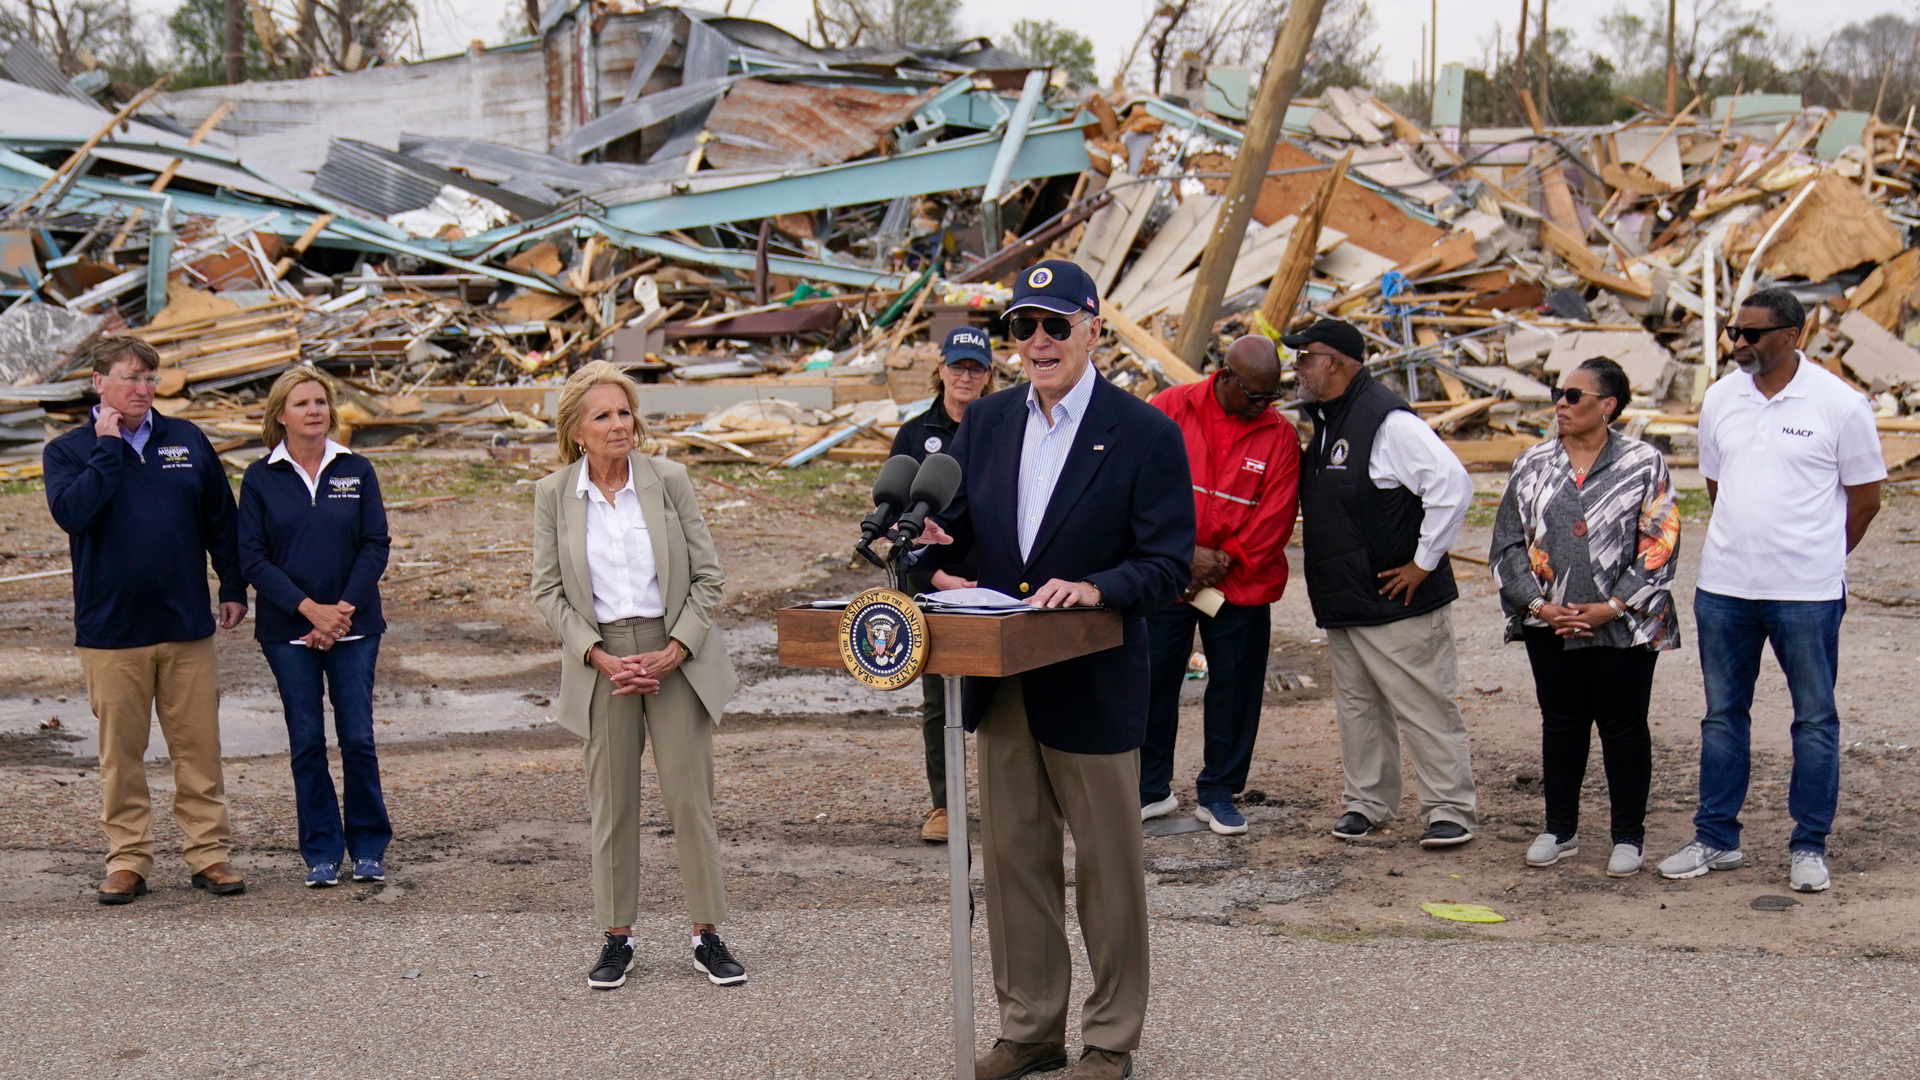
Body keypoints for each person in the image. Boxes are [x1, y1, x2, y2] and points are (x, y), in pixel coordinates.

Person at [916, 260, 1193, 1080]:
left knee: (1107, 872)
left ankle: (1110, 1041)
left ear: (1091, 328)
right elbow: (957, 531)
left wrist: (1099, 586)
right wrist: (936, 565)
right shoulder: (990, 422)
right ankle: (1030, 1027)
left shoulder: (1144, 432)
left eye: (1053, 325)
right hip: (1002, 683)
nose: (1037, 342)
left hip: (1093, 682)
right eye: (1022, 328)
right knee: (1013, 866)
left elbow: (1168, 564)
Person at [1658, 288, 1885, 893]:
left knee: (1814, 720)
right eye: (1735, 332)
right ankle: (1715, 839)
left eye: (1752, 335)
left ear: (1792, 336)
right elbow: (1716, 482)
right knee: (1722, 718)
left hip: (1806, 593)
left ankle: (1808, 846)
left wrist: (1818, 557)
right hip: (1725, 588)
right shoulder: (1719, 399)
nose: (1739, 345)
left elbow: (1865, 500)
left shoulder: (1841, 405)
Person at [530, 361, 746, 990]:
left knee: (689, 801)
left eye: (624, 412)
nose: (618, 425)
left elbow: (709, 577)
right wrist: (597, 654)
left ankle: (708, 936)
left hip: (674, 650)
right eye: (603, 415)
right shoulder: (553, 494)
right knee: (612, 805)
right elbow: (548, 591)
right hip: (601, 661)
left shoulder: (670, 479)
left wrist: (675, 649)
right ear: (576, 429)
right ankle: (616, 938)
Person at [43, 336, 249, 904]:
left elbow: (219, 520)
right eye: (132, 378)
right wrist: (108, 449)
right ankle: (128, 859)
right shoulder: (69, 450)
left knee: (198, 749)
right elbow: (75, 514)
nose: (143, 390)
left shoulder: (185, 439)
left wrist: (232, 585)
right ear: (99, 381)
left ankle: (209, 854)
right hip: (111, 631)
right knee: (121, 756)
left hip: (185, 624)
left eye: (151, 380)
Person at [1287, 319, 1479, 848]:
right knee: (1358, 708)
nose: (1298, 366)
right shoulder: (1328, 420)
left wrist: (1423, 561)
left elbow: (1453, 486)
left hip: (1399, 600)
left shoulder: (1388, 421)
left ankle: (1450, 810)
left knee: (1423, 704)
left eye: (1306, 357)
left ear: (1339, 364)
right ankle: (1367, 803)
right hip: (1346, 599)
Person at [1492, 358, 1682, 878]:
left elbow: (1660, 542)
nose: (1561, 403)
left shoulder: (1644, 463)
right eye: (1558, 393)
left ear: (1608, 406)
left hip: (1625, 625)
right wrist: (1539, 606)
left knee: (1623, 728)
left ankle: (1629, 837)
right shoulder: (1532, 463)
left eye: (1574, 395)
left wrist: (1613, 606)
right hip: (1548, 624)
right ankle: (1560, 829)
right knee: (1561, 723)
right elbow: (1507, 543)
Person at [238, 367, 393, 888]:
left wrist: (341, 610)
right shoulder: (260, 477)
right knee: (306, 740)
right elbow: (252, 559)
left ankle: (369, 848)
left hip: (355, 626)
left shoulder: (357, 470)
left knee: (357, 738)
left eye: (321, 402)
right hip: (288, 631)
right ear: (280, 414)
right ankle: (321, 854)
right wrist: (311, 611)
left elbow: (376, 544)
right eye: (302, 403)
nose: (314, 410)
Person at [1141, 335, 1300, 835]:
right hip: (1170, 574)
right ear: (1225, 377)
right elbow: (1140, 486)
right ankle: (1150, 789)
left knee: (1235, 684)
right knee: (1152, 678)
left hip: (1239, 585)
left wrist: (1223, 559)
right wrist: (1181, 555)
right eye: (1255, 395)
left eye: (1271, 397)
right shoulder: (1171, 408)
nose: (1263, 406)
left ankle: (1219, 791)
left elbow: (1276, 517)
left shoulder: (1279, 436)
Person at [889, 326, 995, 844]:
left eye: (976, 368)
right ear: (942, 369)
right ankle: (945, 805)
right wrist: (936, 577)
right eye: (958, 366)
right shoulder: (914, 434)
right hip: (932, 584)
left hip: (996, 582)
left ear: (989, 374)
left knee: (1005, 692)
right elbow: (898, 519)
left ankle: (1010, 799)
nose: (966, 376)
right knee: (940, 698)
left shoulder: (1007, 424)